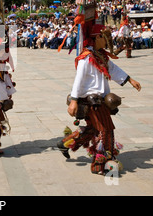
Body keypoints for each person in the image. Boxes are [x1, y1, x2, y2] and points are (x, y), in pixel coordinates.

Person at [57, 24, 141, 175]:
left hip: (100, 100)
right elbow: (79, 79)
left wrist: (130, 80)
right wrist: (74, 100)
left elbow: (114, 70)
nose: (107, 40)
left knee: (92, 130)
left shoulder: (101, 55)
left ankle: (65, 143)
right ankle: (100, 164)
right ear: (96, 38)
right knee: (105, 130)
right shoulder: (86, 57)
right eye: (104, 37)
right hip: (91, 101)